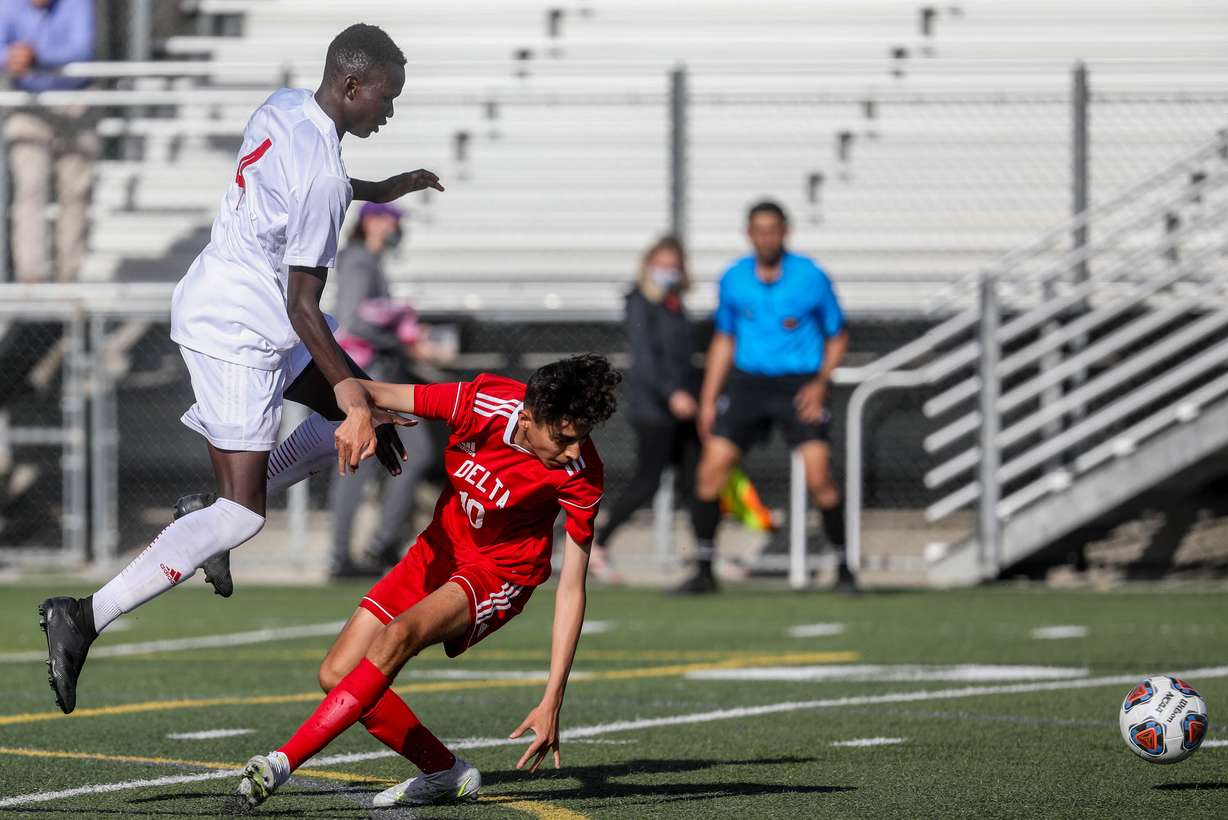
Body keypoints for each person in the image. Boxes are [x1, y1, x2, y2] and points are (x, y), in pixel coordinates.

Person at [38, 23, 446, 716]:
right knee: (242, 514)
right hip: (239, 329)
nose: (390, 110)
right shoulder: (322, 175)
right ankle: (81, 616)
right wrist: (352, 394)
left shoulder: (286, 105)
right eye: (387, 96)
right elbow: (303, 306)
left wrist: (381, 186)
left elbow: (304, 187)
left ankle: (206, 510)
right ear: (351, 85)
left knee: (356, 418)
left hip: (237, 302)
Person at [230, 355, 620, 810]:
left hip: (500, 573)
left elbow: (572, 588)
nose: (574, 451)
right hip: (439, 548)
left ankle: (279, 763)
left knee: (400, 635)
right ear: (528, 418)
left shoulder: (580, 473)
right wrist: (358, 414)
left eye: (582, 438)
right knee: (336, 674)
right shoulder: (480, 403)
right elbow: (364, 389)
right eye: (564, 439)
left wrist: (553, 697)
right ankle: (445, 771)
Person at [677, 200, 852, 595]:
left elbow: (837, 335)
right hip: (748, 383)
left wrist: (821, 382)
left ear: (785, 232)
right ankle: (703, 569)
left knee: (819, 475)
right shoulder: (734, 278)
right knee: (711, 470)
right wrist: (709, 399)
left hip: (799, 385)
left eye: (773, 230)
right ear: (749, 234)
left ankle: (845, 568)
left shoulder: (811, 276)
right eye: (759, 230)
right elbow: (725, 338)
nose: (766, 238)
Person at [329, 201, 435, 578]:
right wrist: (403, 341)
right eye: (391, 222)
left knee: (389, 458)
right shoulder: (359, 261)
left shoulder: (367, 260)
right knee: (360, 463)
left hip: (374, 377)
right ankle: (354, 553)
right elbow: (355, 321)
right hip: (367, 379)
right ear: (372, 222)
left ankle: (374, 546)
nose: (396, 230)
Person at [589, 236, 698, 582]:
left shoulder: (673, 304)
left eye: (673, 265)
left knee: (694, 481)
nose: (668, 271)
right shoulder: (641, 303)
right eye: (662, 264)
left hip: (681, 408)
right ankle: (597, 544)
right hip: (655, 409)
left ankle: (705, 556)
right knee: (647, 481)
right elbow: (647, 361)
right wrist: (672, 394)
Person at [0, 0, 97, 282]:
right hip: (27, 103)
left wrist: (38, 56)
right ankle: (32, 280)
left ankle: (68, 279)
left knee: (75, 193)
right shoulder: (8, 4)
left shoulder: (78, 3)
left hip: (75, 102)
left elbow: (82, 49)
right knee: (30, 189)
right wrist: (11, 57)